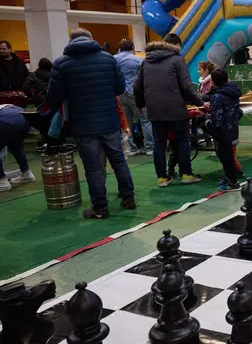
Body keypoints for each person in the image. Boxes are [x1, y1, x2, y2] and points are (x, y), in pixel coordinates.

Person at [47, 28, 135, 218]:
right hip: (110, 120)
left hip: (83, 124)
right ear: (91, 39)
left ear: (70, 41)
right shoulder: (109, 59)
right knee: (119, 161)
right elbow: (119, 88)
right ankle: (128, 198)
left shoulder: (62, 64)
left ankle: (100, 208)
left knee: (93, 168)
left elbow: (53, 96)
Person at [134, 33, 204, 187]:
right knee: (182, 141)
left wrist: (140, 104)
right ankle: (186, 173)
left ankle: (162, 177)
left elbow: (137, 86)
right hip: (175, 108)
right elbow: (186, 86)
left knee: (159, 142)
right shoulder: (177, 60)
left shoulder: (146, 61)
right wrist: (200, 102)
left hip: (154, 109)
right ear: (177, 45)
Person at [206, 68, 243, 192]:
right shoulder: (233, 92)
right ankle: (230, 177)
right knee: (228, 156)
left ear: (214, 81)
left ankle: (233, 183)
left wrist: (207, 124)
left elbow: (217, 118)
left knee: (225, 157)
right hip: (232, 129)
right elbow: (238, 112)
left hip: (222, 132)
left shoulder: (218, 96)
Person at [115, 39, 153, 157]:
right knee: (145, 121)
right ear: (132, 48)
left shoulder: (113, 59)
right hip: (135, 95)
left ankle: (131, 149)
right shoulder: (138, 60)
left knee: (126, 123)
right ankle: (150, 148)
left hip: (120, 95)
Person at [0, 104, 35, 191]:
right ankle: (27, 173)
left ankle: (2, 181)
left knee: (12, 140)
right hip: (24, 118)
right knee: (15, 144)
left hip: (6, 121)